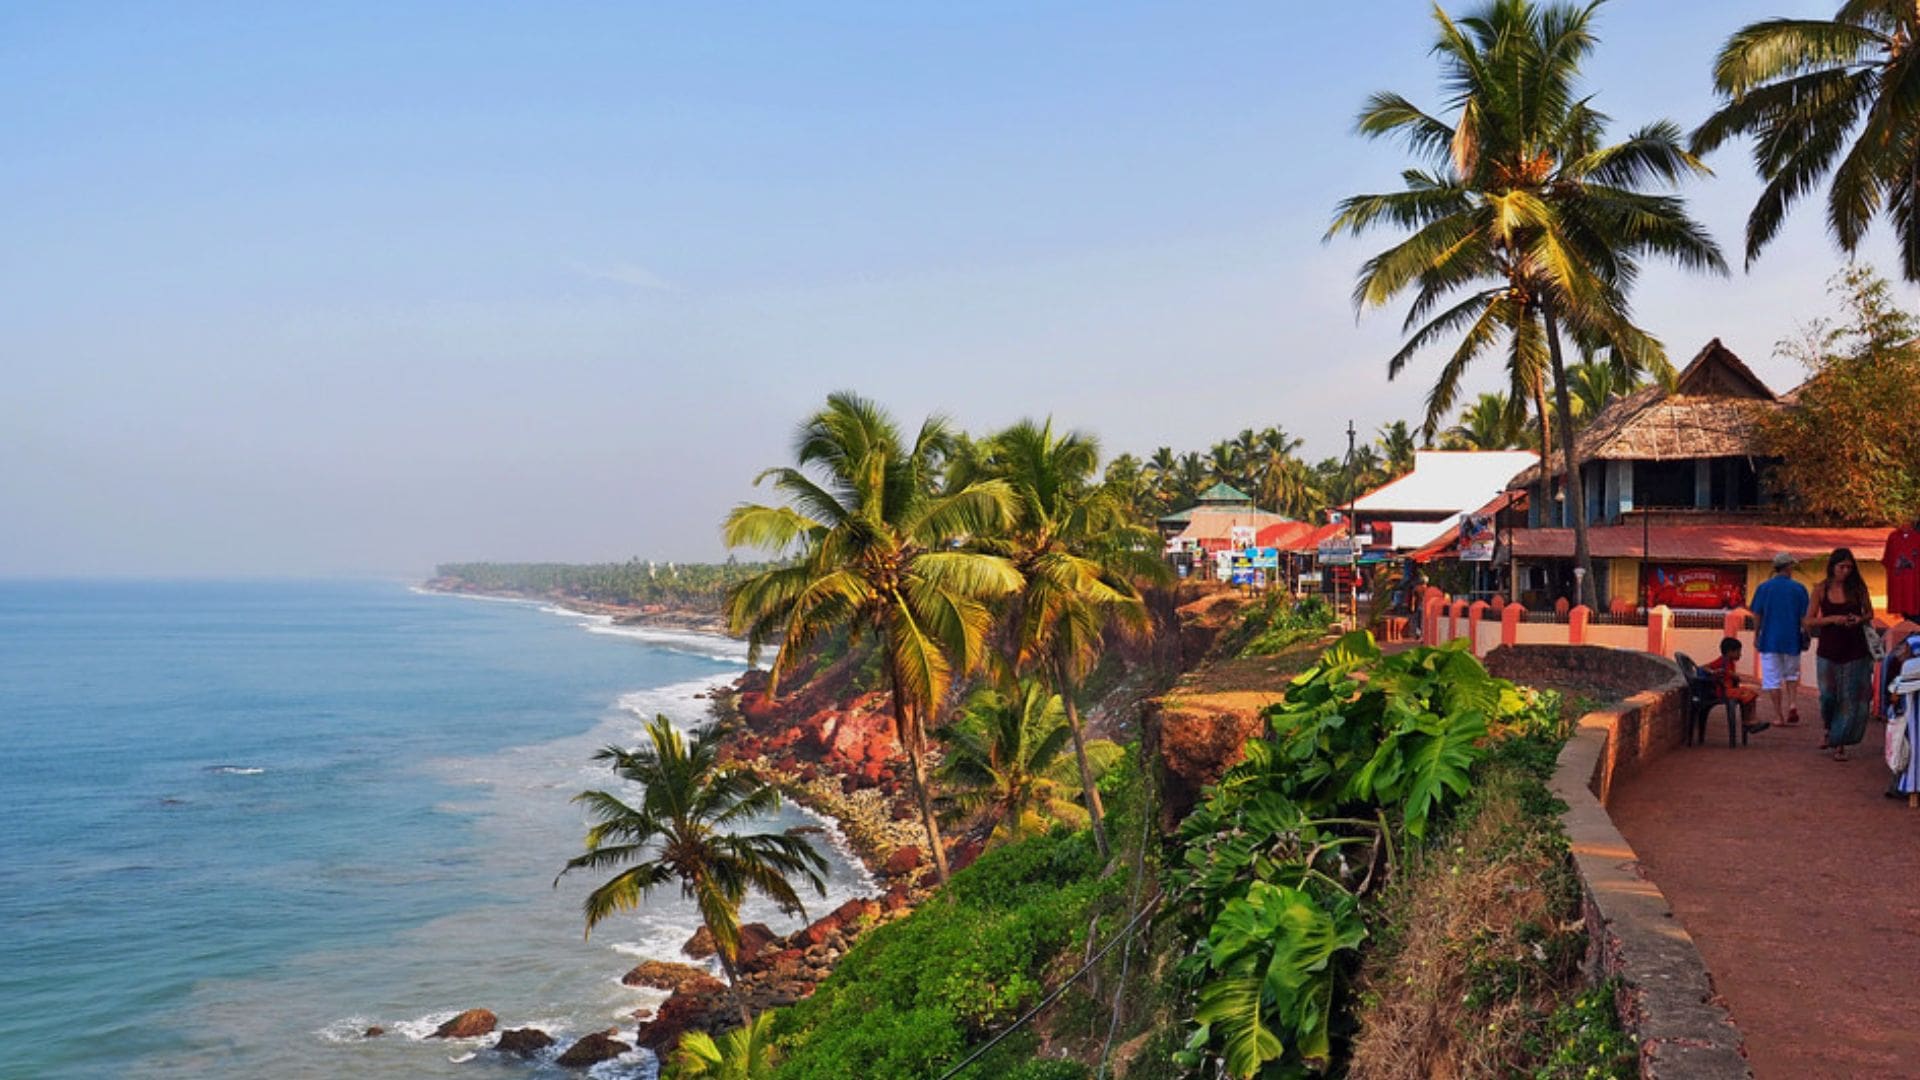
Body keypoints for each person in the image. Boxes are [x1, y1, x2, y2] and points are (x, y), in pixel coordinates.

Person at [1805, 547, 1876, 762]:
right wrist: (1833, 619)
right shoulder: (1820, 589)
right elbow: (1809, 620)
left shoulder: (1858, 588)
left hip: (1855, 649)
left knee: (1849, 699)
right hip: (1828, 650)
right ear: (1832, 567)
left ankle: (1840, 743)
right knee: (1827, 696)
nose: (1845, 571)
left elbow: (1870, 613)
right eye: (1841, 567)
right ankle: (1828, 728)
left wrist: (1859, 619)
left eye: (1849, 567)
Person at [1749, 551, 1811, 726]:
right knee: (1791, 674)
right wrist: (1806, 634)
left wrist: (1756, 634)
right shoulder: (1799, 589)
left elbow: (1757, 614)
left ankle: (1779, 715)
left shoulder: (1763, 588)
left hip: (1769, 639)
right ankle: (1792, 703)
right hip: (1792, 639)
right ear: (1789, 566)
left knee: (1772, 678)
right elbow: (1804, 618)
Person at [1704, 636, 1771, 735]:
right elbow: (1705, 667)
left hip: (1731, 689)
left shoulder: (1730, 663)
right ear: (1730, 652)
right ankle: (1749, 721)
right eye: (1738, 652)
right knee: (1747, 694)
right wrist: (1713, 672)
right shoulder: (1722, 661)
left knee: (1751, 694)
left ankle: (1750, 719)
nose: (1740, 654)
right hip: (1724, 691)